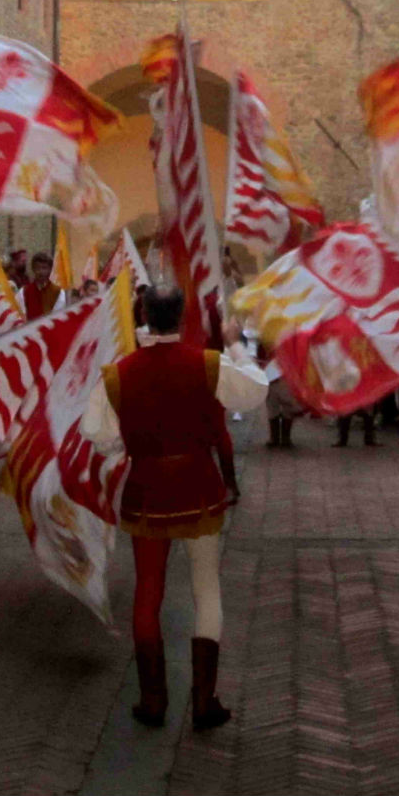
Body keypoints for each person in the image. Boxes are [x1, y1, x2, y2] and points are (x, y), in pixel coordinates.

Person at [80, 289, 267, 732]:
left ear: (143, 314)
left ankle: (153, 700)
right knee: (206, 588)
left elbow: (97, 435)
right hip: (199, 485)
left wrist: (130, 439)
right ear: (183, 317)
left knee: (148, 590)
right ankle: (204, 701)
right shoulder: (207, 363)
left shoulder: (117, 374)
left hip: (147, 489)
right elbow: (255, 393)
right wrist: (236, 342)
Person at [21, 252, 61, 319]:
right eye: (38, 268)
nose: (41, 271)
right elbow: (21, 315)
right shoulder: (25, 291)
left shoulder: (57, 291)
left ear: (50, 269)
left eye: (44, 268)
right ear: (33, 269)